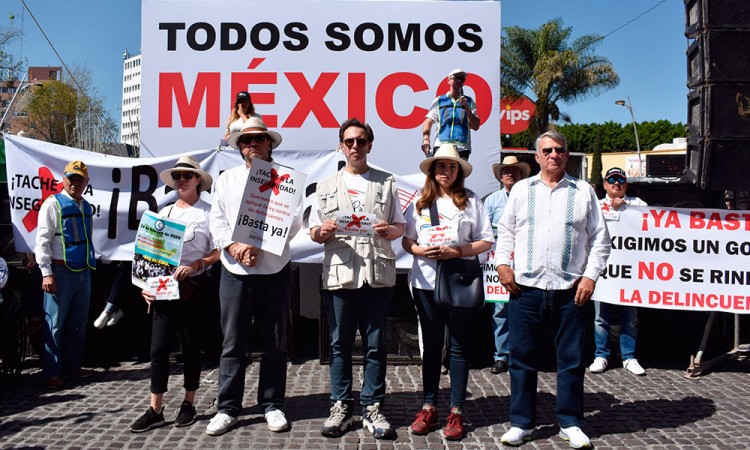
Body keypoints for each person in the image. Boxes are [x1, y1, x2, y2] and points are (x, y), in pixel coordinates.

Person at [496, 131, 610, 449]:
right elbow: (505, 231)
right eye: (547, 150)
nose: (553, 155)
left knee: (571, 360)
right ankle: (522, 423)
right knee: (521, 358)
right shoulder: (522, 190)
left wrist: (590, 277)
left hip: (569, 290)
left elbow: (600, 238)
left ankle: (570, 423)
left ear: (567, 154)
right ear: (537, 156)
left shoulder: (583, 191)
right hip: (525, 288)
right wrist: (502, 264)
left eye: (559, 149)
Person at [309, 118, 405, 440]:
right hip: (341, 274)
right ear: (341, 146)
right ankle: (340, 406)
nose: (355, 146)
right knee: (339, 345)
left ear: (369, 146)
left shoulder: (386, 182)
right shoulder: (325, 186)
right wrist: (322, 232)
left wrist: (389, 231)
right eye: (349, 141)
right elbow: (313, 230)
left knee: (376, 344)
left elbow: (400, 226)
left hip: (375, 274)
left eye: (360, 141)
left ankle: (372, 407)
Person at [207, 117, 302, 436]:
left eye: (259, 139)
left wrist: (260, 244)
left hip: (274, 269)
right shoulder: (226, 179)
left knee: (276, 342)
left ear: (269, 144)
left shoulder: (286, 178)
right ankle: (227, 408)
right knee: (233, 342)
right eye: (246, 140)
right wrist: (234, 246)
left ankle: (272, 404)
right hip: (235, 271)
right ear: (239, 147)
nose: (253, 144)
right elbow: (217, 220)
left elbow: (294, 220)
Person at [402, 144, 494, 441]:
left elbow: (486, 240)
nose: (446, 171)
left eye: (452, 166)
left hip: (459, 282)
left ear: (459, 172)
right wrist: (419, 250)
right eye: (441, 166)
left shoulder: (471, 201)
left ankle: (456, 410)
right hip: (426, 283)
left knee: (458, 346)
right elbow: (407, 240)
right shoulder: (419, 201)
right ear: (432, 171)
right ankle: (428, 406)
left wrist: (458, 251)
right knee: (431, 347)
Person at [128, 156, 220, 432]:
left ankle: (188, 403)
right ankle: (155, 408)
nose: (181, 180)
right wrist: (145, 285)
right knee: (158, 350)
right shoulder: (164, 213)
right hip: (164, 289)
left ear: (197, 180)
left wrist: (197, 265)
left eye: (187, 176)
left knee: (192, 348)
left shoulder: (209, 211)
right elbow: (149, 255)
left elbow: (219, 250)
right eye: (177, 176)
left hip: (194, 288)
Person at [35, 160, 97, 389]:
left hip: (83, 271)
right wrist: (46, 273)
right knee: (55, 324)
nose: (75, 183)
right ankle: (51, 372)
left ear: (86, 182)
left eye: (79, 179)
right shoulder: (53, 204)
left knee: (78, 323)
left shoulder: (86, 206)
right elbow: (42, 240)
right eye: (71, 178)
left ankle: (72, 366)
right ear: (63, 179)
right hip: (60, 272)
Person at [589, 167, 647, 377]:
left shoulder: (638, 203)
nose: (616, 183)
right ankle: (601, 355)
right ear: (604, 184)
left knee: (630, 317)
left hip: (630, 271)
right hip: (604, 270)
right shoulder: (596, 205)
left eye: (620, 180)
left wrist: (627, 208)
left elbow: (650, 221)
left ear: (626, 185)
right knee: (600, 317)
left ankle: (629, 356)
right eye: (612, 180)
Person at [484, 155, 530, 375]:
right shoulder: (491, 201)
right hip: (499, 264)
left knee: (525, 311)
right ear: (500, 177)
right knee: (500, 311)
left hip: (525, 263)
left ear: (521, 175)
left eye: (514, 170)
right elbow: (485, 232)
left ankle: (522, 354)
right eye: (506, 171)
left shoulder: (531, 198)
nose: (510, 174)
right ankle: (501, 356)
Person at [421, 68, 480, 160]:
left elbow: (475, 126)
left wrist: (467, 108)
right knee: (440, 168)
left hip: (462, 147)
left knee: (459, 169)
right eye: (456, 78)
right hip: (441, 145)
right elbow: (429, 121)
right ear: (448, 80)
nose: (459, 81)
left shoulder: (469, 101)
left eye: (462, 79)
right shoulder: (439, 100)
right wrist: (426, 139)